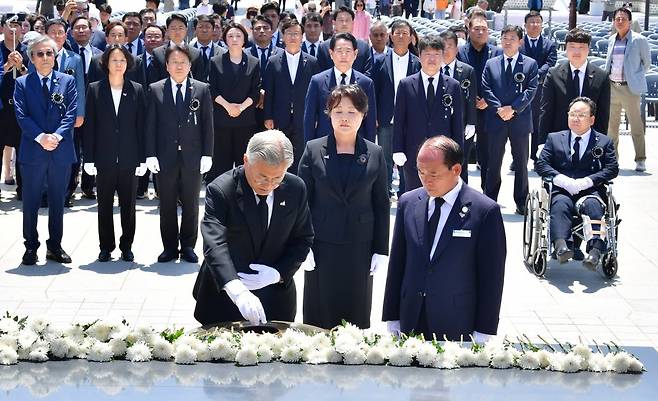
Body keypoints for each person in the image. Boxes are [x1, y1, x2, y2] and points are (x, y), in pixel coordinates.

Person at [382, 136, 505, 341]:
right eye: (421, 172)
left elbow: (492, 278)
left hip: (457, 321)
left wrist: (485, 328)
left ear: (456, 170)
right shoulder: (408, 202)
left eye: (434, 174)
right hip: (412, 317)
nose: (426, 180)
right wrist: (392, 315)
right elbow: (398, 263)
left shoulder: (484, 211)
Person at [192, 130, 314, 326]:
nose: (269, 185)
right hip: (225, 298)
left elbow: (303, 238)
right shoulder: (222, 190)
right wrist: (237, 291)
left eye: (277, 178)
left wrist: (278, 273)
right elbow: (214, 245)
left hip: (276, 298)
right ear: (246, 160)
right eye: (262, 177)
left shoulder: (295, 188)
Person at [298, 85, 389, 329]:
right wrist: (301, 245)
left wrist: (381, 248)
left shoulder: (375, 152)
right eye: (338, 111)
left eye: (352, 111)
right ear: (328, 114)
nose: (345, 118)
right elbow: (301, 202)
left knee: (355, 311)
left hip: (360, 245)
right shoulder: (313, 149)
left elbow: (381, 203)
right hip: (321, 243)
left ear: (363, 115)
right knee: (319, 312)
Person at [144, 45, 214, 264]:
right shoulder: (156, 89)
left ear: (190, 65)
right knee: (166, 204)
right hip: (165, 156)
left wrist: (207, 154)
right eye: (174, 62)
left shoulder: (201, 89)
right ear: (167, 66)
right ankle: (169, 247)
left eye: (183, 62)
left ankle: (188, 247)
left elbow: (207, 124)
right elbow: (150, 125)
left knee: (192, 203)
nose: (179, 66)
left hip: (193, 156)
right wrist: (150, 154)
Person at [14, 35, 78, 265]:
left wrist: (57, 136)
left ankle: (55, 246)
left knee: (57, 202)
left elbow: (71, 113)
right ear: (32, 58)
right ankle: (30, 246)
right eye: (39, 53)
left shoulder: (67, 81)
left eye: (49, 53)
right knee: (30, 202)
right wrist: (41, 137)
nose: (45, 57)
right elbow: (21, 115)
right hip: (33, 151)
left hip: (60, 151)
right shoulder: (22, 83)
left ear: (55, 56)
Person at [535, 97, 619, 269]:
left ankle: (595, 252)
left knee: (594, 207)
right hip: (561, 189)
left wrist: (588, 181)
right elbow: (541, 164)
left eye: (581, 115)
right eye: (572, 114)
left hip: (590, 190)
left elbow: (612, 169)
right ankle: (561, 247)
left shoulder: (604, 142)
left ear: (592, 119)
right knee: (559, 205)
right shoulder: (554, 138)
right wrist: (560, 179)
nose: (575, 118)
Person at [83, 45, 147, 262]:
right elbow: (90, 126)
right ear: (106, 64)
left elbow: (141, 126)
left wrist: (142, 158)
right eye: (114, 60)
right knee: (104, 205)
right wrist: (89, 157)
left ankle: (127, 245)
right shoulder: (94, 89)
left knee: (128, 206)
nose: (118, 64)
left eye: (122, 60)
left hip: (129, 158)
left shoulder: (137, 89)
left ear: (127, 64)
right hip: (104, 157)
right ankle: (106, 246)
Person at [392, 35, 464, 193]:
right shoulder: (406, 85)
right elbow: (399, 121)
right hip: (413, 152)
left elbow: (457, 123)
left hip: (443, 155)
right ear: (419, 56)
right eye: (428, 54)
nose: (432, 59)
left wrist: (459, 155)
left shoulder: (453, 85)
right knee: (414, 195)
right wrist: (397, 149)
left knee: (442, 194)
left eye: (437, 55)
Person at [481, 25, 538, 214]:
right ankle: (489, 200)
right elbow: (486, 88)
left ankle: (522, 201)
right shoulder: (492, 63)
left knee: (521, 162)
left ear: (520, 41)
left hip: (519, 120)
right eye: (505, 37)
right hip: (496, 119)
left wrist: (513, 108)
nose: (507, 41)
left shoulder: (530, 64)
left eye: (512, 38)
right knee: (493, 162)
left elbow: (531, 90)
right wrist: (499, 109)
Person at [206, 22, 260, 183]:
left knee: (244, 164)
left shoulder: (253, 62)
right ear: (224, 39)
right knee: (221, 165)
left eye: (238, 35)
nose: (234, 39)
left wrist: (241, 108)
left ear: (245, 39)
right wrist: (228, 106)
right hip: (222, 120)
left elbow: (256, 90)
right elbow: (212, 88)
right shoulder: (215, 61)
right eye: (230, 36)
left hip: (246, 121)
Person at [372, 19, 421, 197]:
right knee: (385, 159)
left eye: (405, 33)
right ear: (391, 36)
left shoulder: (418, 63)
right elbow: (373, 90)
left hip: (410, 121)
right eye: (397, 32)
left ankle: (406, 194)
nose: (401, 36)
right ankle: (385, 194)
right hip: (386, 119)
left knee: (408, 160)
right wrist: (374, 115)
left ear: (411, 37)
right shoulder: (379, 61)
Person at [263, 19, 320, 173]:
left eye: (296, 33)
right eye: (289, 33)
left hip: (304, 116)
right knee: (281, 153)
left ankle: (301, 186)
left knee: (302, 154)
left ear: (302, 36)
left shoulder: (313, 62)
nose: (293, 37)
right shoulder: (273, 61)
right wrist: (268, 116)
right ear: (283, 36)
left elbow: (317, 93)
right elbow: (269, 91)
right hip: (280, 116)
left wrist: (316, 117)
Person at [456, 10, 502, 191]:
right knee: (462, 155)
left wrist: (488, 100)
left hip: (490, 111)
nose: (481, 32)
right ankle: (462, 192)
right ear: (468, 29)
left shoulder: (497, 52)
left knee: (490, 156)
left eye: (484, 28)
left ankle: (488, 195)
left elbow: (500, 81)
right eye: (476, 28)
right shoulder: (460, 52)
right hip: (466, 112)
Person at [44, 19, 87, 206]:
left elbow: (79, 87)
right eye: (52, 32)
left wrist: (80, 113)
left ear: (66, 34)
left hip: (66, 115)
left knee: (64, 155)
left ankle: (65, 194)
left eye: (60, 32)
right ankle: (45, 194)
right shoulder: (38, 56)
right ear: (46, 35)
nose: (57, 35)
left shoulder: (74, 58)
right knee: (44, 154)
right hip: (43, 114)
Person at [540, 29, 610, 144]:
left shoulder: (602, 77)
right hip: (560, 138)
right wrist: (543, 142)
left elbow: (603, 114)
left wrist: (600, 144)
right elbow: (546, 111)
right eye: (572, 47)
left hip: (589, 139)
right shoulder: (553, 75)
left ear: (588, 49)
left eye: (581, 47)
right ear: (566, 49)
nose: (576, 51)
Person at [304, 33, 377, 143]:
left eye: (348, 51)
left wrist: (369, 152)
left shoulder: (366, 83)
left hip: (356, 145)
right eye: (339, 51)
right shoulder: (317, 81)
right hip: (324, 145)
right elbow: (309, 119)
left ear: (355, 54)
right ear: (331, 53)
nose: (343, 55)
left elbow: (370, 122)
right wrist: (309, 150)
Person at [604, 7, 650, 172]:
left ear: (630, 22)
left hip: (630, 89)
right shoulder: (611, 39)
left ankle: (640, 159)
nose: (620, 21)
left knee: (636, 126)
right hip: (613, 87)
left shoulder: (639, 40)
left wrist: (634, 77)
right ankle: (613, 160)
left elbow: (647, 63)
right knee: (612, 128)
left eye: (623, 18)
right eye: (617, 19)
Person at [439, 30, 477, 184]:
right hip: (439, 123)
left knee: (461, 163)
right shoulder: (432, 69)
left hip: (461, 125)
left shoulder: (467, 70)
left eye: (450, 46)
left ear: (456, 49)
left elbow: (471, 99)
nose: (446, 50)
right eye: (443, 46)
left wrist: (472, 122)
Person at [520, 10, 556, 164]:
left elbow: (550, 62)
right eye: (531, 22)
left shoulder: (549, 44)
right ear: (525, 25)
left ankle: (535, 156)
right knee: (520, 126)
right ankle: (519, 158)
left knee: (538, 125)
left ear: (542, 25)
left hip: (541, 90)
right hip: (521, 90)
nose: (534, 25)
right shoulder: (519, 43)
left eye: (537, 22)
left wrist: (535, 73)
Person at [1, 13, 28, 201]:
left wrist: (21, 67)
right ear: (2, 28)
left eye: (17, 25)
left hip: (21, 109)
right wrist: (7, 65)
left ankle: (23, 189)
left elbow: (34, 78)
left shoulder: (29, 50)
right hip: (2, 110)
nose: (13, 29)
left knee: (23, 150)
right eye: (9, 25)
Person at [149, 13, 206, 83]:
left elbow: (200, 81)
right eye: (173, 28)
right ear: (167, 30)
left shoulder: (196, 53)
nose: (177, 32)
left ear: (186, 29)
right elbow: (153, 81)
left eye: (180, 28)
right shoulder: (158, 53)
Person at [315, 6, 372, 76]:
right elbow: (320, 75)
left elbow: (368, 74)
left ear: (353, 23)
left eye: (347, 20)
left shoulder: (364, 47)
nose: (344, 23)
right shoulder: (324, 47)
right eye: (341, 20)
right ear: (334, 23)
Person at [192, 15, 225, 83]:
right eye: (200, 27)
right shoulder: (187, 52)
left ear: (213, 30)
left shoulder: (223, 53)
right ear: (194, 30)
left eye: (208, 27)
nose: (204, 30)